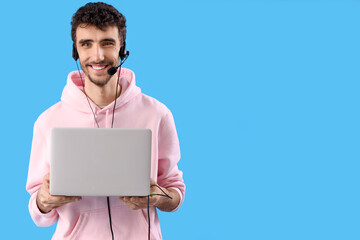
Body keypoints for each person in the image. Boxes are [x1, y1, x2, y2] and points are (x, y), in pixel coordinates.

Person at [26, 2, 185, 239]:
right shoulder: (48, 121)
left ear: (122, 49)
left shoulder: (157, 114)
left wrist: (162, 197)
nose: (98, 56)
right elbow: (38, 211)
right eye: (86, 44)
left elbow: (175, 191)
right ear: (75, 52)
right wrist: (43, 201)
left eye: (107, 43)